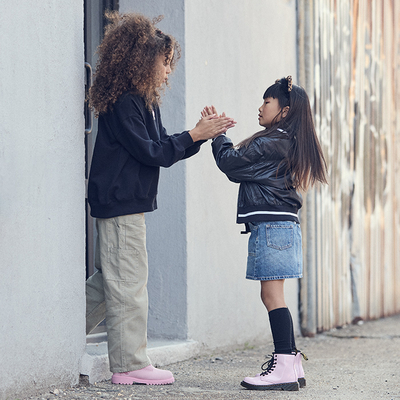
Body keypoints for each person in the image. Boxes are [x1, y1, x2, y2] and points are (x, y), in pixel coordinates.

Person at [85, 12, 235, 386]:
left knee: (112, 283)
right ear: (143, 59)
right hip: (120, 204)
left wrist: (199, 135)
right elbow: (151, 152)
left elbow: (164, 149)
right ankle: (129, 364)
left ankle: (52, 330)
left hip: (127, 204)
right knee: (130, 286)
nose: (169, 72)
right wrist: (193, 133)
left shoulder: (144, 102)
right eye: (165, 63)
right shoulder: (124, 102)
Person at [207, 76, 327, 391]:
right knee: (273, 297)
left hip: (273, 228)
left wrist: (216, 133)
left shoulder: (271, 141)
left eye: (266, 101)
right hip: (280, 227)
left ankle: (285, 364)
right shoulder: (284, 141)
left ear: (284, 110)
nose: (260, 107)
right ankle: (290, 362)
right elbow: (240, 170)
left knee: (272, 297)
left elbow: (231, 164)